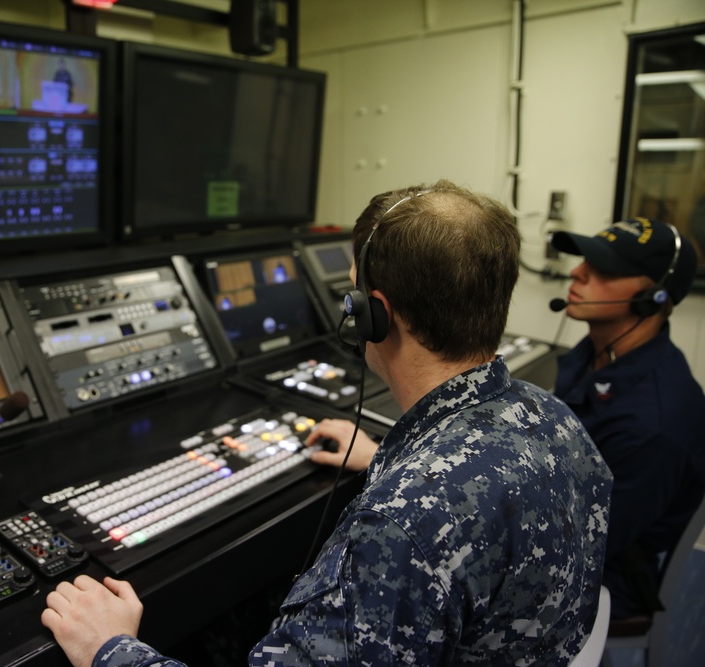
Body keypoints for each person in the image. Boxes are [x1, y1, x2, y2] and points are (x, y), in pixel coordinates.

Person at [42, 180, 612, 666]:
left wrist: (110, 647)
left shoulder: (400, 530)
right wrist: (385, 458)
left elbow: (428, 524)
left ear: (373, 315)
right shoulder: (555, 418)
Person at [550, 217, 705, 620]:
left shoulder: (655, 423)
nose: (577, 272)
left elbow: (587, 543)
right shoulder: (598, 352)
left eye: (603, 269)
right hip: (566, 517)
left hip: (603, 572)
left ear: (651, 297)